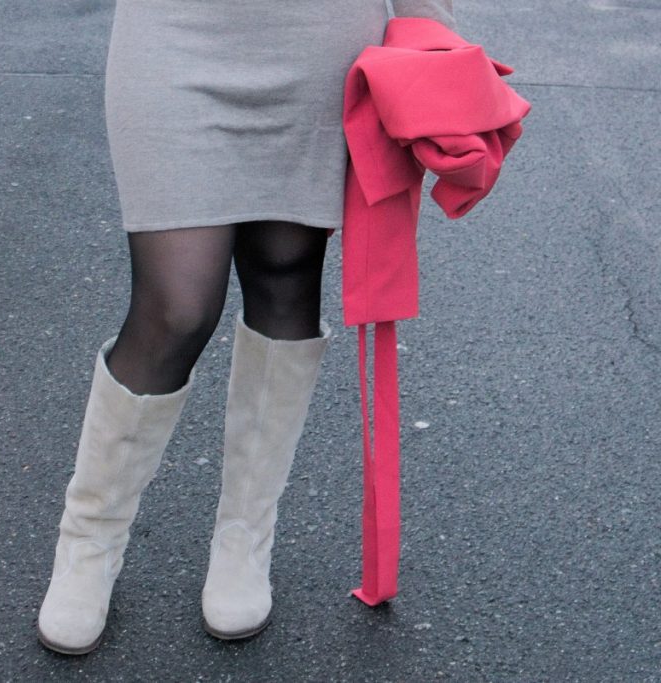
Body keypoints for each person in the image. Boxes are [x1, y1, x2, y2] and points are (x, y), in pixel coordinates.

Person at [37, 0, 456, 655]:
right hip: (176, 31)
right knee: (176, 307)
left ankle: (245, 536)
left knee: (285, 275)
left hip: (321, 40)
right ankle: (89, 540)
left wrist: (430, 34)